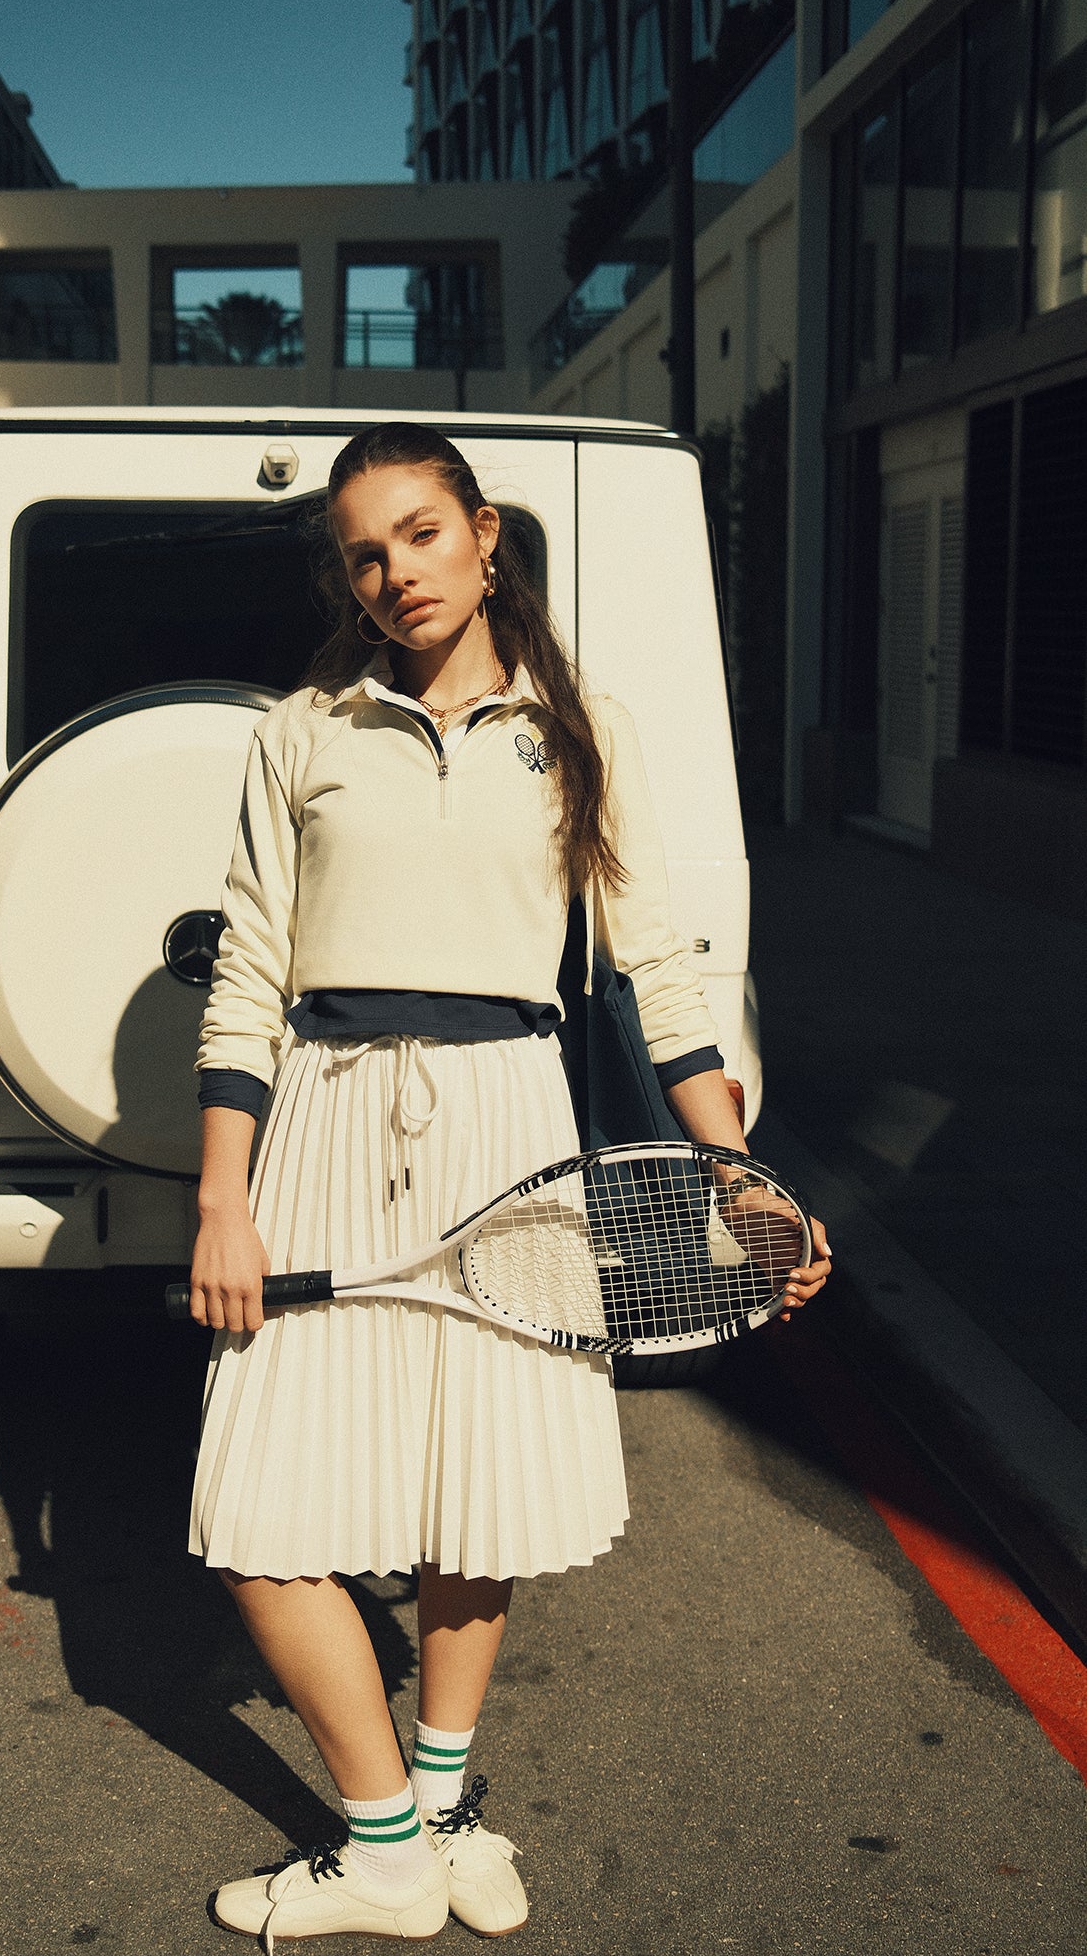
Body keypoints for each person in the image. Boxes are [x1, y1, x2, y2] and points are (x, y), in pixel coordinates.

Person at [187, 421, 831, 1948]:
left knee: (473, 1497)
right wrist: (223, 1197)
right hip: (325, 1122)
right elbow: (248, 976)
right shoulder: (301, 731)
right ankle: (388, 1845)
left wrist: (734, 1174)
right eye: (364, 552)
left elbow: (656, 968)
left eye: (420, 532)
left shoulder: (582, 727)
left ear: (483, 536)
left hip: (507, 1124)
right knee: (256, 1516)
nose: (394, 572)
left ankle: (435, 1815)